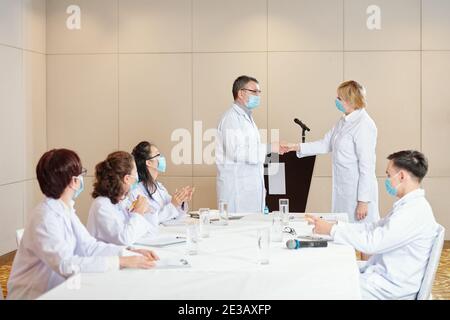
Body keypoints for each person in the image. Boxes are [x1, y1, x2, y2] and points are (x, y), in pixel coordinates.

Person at [7, 149, 158, 300]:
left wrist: (129, 253)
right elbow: (66, 265)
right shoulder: (45, 217)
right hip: (36, 295)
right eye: (81, 174)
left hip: (60, 290)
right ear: (74, 181)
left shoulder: (64, 209)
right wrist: (120, 261)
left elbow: (89, 246)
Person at [306, 150, 439, 300]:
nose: (387, 180)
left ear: (401, 176)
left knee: (322, 286)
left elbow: (372, 244)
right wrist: (336, 226)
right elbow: (373, 227)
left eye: (389, 175)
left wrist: (332, 230)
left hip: (389, 288)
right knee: (330, 268)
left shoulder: (413, 212)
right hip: (382, 276)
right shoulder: (409, 206)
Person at [285, 80, 379, 225]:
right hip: (344, 190)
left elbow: (367, 166)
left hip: (357, 194)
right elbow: (325, 144)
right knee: (343, 230)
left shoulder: (364, 124)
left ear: (350, 100)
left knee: (359, 236)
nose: (336, 100)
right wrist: (295, 147)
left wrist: (363, 201)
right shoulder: (343, 121)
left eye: (339, 98)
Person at [216, 75, 286, 214]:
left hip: (249, 190)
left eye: (259, 92)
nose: (258, 95)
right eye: (254, 92)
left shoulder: (247, 118)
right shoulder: (231, 119)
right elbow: (236, 152)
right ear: (241, 93)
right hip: (237, 192)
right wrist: (270, 147)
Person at [87, 151, 156, 246]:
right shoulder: (101, 205)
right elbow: (124, 239)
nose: (137, 176)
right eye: (135, 172)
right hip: (107, 258)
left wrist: (147, 210)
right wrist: (138, 213)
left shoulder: (123, 200)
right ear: (127, 179)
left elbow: (150, 230)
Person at [130, 141, 194, 229]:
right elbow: (149, 220)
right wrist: (173, 205)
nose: (162, 158)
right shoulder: (136, 191)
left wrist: (181, 200)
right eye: (158, 155)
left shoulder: (159, 187)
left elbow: (176, 213)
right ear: (148, 162)